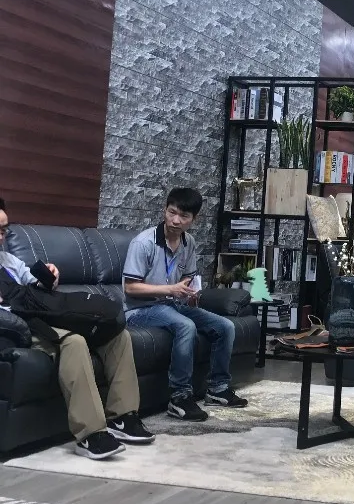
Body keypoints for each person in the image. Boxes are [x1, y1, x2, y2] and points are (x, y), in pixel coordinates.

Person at [0, 198, 153, 459]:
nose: (1, 237)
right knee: (74, 341)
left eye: (4, 230)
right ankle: (91, 434)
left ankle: (123, 416)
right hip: (20, 326)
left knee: (117, 335)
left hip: (44, 313)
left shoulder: (7, 260)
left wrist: (49, 278)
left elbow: (34, 287)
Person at [123, 187, 247, 422]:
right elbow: (130, 288)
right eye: (172, 212)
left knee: (225, 326)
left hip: (171, 305)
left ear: (194, 219)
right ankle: (179, 397)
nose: (176, 221)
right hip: (139, 309)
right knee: (185, 326)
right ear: (165, 210)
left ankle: (218, 388)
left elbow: (187, 278)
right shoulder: (144, 243)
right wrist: (171, 289)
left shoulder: (188, 242)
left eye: (184, 216)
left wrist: (190, 293)